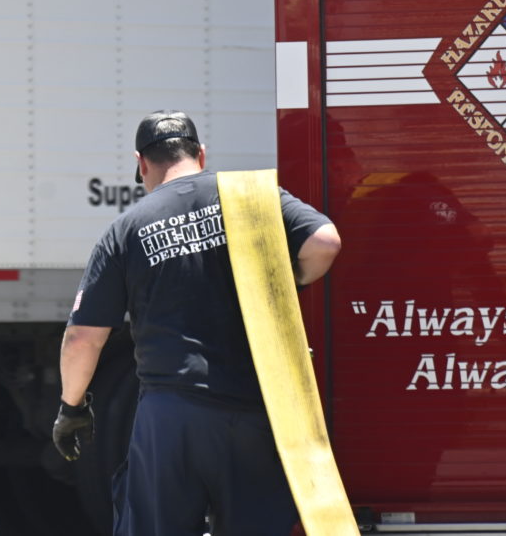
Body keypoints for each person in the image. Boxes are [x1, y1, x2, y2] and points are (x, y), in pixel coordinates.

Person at [52, 110, 342, 536]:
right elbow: (325, 242)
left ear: (142, 164)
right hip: (252, 407)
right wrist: (281, 283)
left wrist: (71, 408)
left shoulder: (125, 230)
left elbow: (82, 338)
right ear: (200, 154)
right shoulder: (252, 198)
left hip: (171, 415)